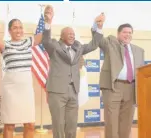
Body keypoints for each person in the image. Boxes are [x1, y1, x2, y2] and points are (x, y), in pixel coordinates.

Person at [42, 7, 105, 138]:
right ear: (62, 36)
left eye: (73, 34)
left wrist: (98, 27)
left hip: (73, 90)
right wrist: (47, 23)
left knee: (71, 125)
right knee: (58, 125)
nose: (72, 35)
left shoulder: (78, 48)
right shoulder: (54, 46)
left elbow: (93, 44)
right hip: (57, 91)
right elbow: (46, 41)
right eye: (69, 33)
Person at [0, 5, 53, 138]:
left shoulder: (28, 42)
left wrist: (48, 21)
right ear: (9, 31)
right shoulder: (6, 45)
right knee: (9, 124)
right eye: (15, 27)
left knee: (30, 124)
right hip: (10, 89)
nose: (18, 30)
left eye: (20, 27)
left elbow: (44, 36)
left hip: (26, 89)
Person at [95, 22, 145, 138]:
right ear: (118, 33)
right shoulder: (110, 44)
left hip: (131, 88)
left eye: (130, 32)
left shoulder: (138, 50)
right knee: (111, 122)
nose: (127, 34)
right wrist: (99, 27)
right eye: (124, 32)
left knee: (127, 122)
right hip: (113, 87)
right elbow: (99, 40)